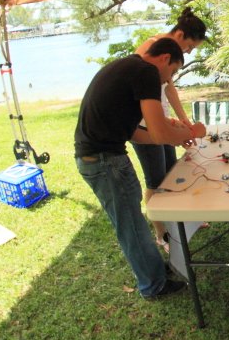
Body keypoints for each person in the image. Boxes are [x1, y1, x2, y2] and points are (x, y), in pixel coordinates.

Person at [74, 38, 202, 299]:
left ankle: (154, 272)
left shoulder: (127, 68)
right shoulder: (147, 72)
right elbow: (159, 133)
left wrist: (175, 134)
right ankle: (153, 286)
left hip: (99, 157)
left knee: (133, 223)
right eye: (172, 72)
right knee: (131, 226)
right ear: (164, 58)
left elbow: (137, 133)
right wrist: (191, 132)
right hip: (105, 161)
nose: (168, 80)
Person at [131, 7, 208, 252]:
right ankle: (161, 234)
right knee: (155, 180)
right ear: (180, 34)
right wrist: (166, 127)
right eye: (190, 46)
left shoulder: (167, 53)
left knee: (171, 173)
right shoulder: (151, 50)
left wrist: (184, 121)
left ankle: (181, 219)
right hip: (144, 126)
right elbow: (137, 94)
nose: (188, 52)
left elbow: (168, 89)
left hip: (160, 122)